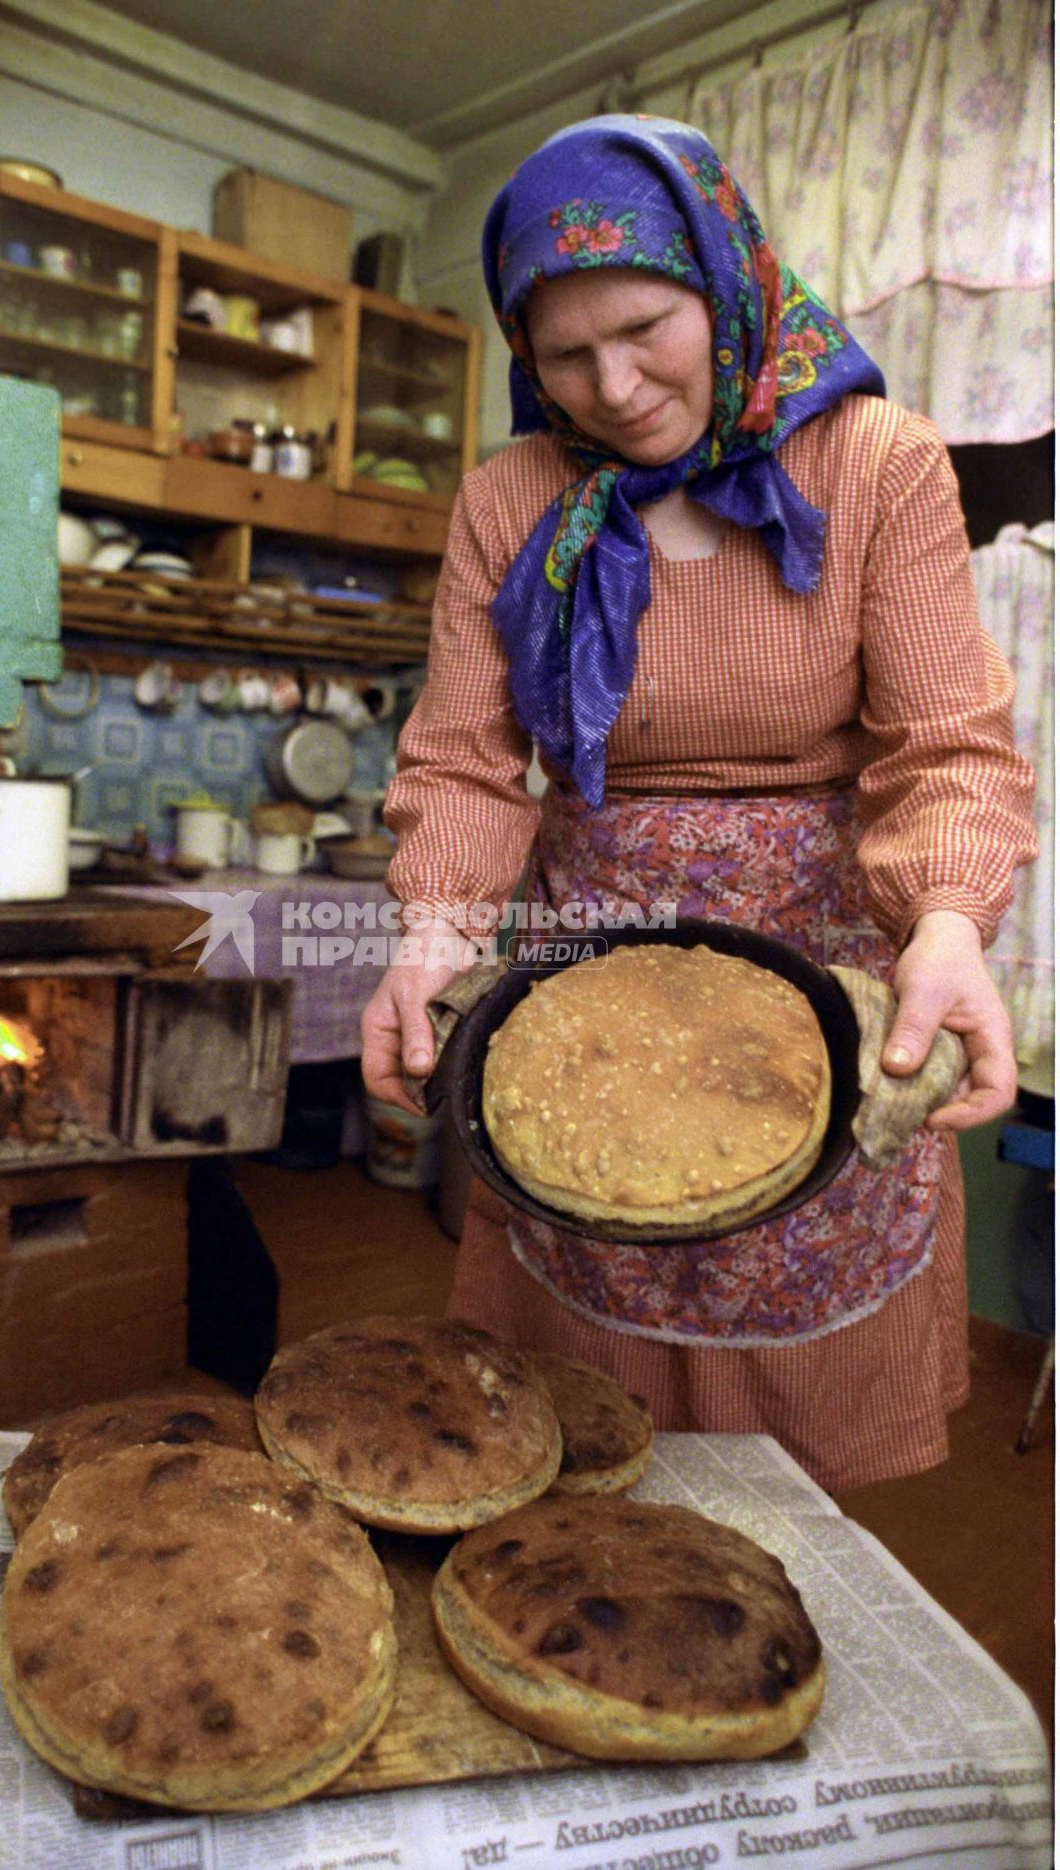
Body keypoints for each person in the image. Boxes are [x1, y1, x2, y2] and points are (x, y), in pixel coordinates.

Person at [360, 115, 1037, 1494]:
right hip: (587, 980)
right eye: (564, 354)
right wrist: (433, 929)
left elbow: (947, 743)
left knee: (780, 1462)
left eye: (645, 326)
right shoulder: (511, 498)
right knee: (580, 1415)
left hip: (818, 982)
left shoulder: (875, 462)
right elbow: (467, 759)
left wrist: (954, 920)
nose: (611, 386)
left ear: (721, 280)